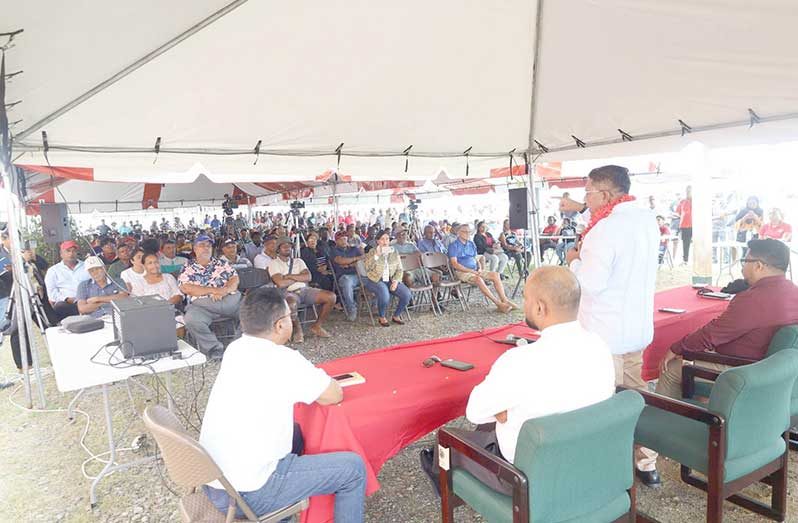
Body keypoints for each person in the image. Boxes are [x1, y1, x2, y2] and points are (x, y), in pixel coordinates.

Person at [419, 267, 614, 495]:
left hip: (527, 476)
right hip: (587, 457)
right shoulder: (600, 347)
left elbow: (474, 412)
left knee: (445, 440)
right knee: (492, 421)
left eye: (525, 298)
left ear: (540, 308)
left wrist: (502, 411)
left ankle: (445, 479)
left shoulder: (518, 361)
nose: (524, 304)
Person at [199, 287, 366, 520]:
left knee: (297, 435)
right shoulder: (284, 360)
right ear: (279, 325)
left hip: (215, 482)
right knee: (353, 469)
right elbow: (333, 395)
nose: (291, 320)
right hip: (249, 494)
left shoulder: (235, 349)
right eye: (290, 316)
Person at [564, 165, 660, 486]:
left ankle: (609, 473)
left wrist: (573, 260)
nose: (586, 199)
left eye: (588, 192)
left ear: (604, 194)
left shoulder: (605, 229)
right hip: (636, 326)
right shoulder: (646, 219)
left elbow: (590, 283)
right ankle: (646, 463)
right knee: (637, 397)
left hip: (605, 333)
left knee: (606, 405)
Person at [657, 239, 798, 399]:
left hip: (744, 369)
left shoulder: (753, 299)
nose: (742, 267)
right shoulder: (793, 292)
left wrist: (676, 348)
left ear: (758, 266)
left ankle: (665, 413)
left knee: (672, 368)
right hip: (778, 370)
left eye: (745, 261)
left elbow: (711, 335)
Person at [178, 235, 241, 360]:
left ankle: (237, 346)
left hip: (230, 302)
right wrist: (215, 290)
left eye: (208, 246)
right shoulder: (188, 267)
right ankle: (214, 349)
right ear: (195, 249)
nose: (206, 248)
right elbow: (186, 287)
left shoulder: (222, 263)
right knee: (192, 320)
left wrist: (225, 291)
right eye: (202, 245)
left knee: (251, 313)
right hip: (203, 307)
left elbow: (235, 279)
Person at [267, 238, 335, 340]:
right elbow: (280, 283)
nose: (287, 248)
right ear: (278, 249)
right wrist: (299, 277)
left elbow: (308, 277)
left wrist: (289, 276)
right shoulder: (274, 263)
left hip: (304, 290)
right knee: (291, 304)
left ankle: (317, 326)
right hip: (288, 292)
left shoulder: (298, 261)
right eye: (284, 246)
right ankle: (297, 329)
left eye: (289, 246)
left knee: (331, 297)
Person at [448, 224, 516, 313]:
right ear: (459, 233)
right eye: (465, 232)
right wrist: (471, 271)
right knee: (478, 279)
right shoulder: (453, 246)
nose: (468, 234)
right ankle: (498, 303)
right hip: (462, 272)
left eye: (469, 232)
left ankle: (504, 300)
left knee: (495, 275)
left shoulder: (471, 244)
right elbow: (455, 264)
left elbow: (476, 258)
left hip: (475, 270)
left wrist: (479, 267)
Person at [362, 230, 411, 327]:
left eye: (387, 239)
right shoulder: (372, 252)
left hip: (390, 279)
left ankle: (396, 315)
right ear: (377, 241)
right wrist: (377, 255)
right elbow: (367, 267)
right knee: (384, 294)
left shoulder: (394, 251)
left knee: (407, 294)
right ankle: (382, 316)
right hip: (374, 279)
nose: (385, 241)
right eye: (382, 239)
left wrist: (396, 281)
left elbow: (399, 269)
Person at [44, 240, 90, 322]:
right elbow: (52, 294)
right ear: (61, 254)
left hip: (88, 301)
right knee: (60, 306)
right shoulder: (53, 271)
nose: (71, 254)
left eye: (74, 251)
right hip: (68, 304)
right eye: (68, 251)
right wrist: (67, 299)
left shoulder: (86, 266)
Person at [331, 232, 365, 321]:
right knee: (347, 281)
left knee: (376, 277)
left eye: (345, 239)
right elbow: (341, 261)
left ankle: (374, 304)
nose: (344, 241)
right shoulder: (334, 251)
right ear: (336, 241)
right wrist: (355, 260)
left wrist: (349, 263)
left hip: (359, 275)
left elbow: (364, 258)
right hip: (343, 276)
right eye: (341, 239)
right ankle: (352, 309)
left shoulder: (354, 249)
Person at [675, 186, 693, 263]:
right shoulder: (682, 201)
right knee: (686, 243)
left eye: (690, 191)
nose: (688, 193)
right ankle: (685, 260)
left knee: (699, 243)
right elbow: (678, 213)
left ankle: (699, 260)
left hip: (697, 225)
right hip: (685, 226)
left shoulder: (698, 201)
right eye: (687, 191)